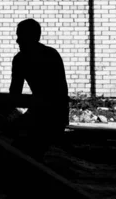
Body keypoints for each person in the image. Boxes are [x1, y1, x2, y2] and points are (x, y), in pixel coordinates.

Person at [6, 18, 69, 161]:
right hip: (52, 113)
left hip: (50, 115)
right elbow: (61, 93)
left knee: (22, 152)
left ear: (32, 37)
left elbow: (14, 93)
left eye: (20, 36)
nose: (17, 41)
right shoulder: (50, 54)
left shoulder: (21, 59)